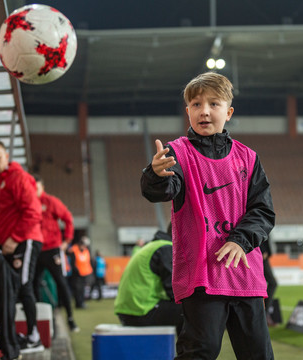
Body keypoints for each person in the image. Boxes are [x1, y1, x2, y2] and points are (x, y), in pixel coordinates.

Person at [141, 72, 275, 360]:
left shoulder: (248, 158)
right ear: (187, 111)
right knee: (201, 351)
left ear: (228, 112)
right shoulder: (176, 153)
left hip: (245, 275)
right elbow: (163, 190)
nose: (204, 111)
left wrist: (240, 241)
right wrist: (155, 176)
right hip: (201, 275)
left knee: (258, 355)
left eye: (214, 104)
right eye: (197, 104)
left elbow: (262, 210)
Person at [0, 140, 45, 353]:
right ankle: (11, 335)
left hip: (23, 240)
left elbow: (34, 211)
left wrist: (15, 238)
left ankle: (34, 336)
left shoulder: (17, 178)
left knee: (23, 286)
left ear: (6, 157)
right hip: (4, 244)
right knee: (9, 289)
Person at [32, 174, 79, 332]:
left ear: (42, 187)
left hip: (53, 249)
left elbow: (68, 218)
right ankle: (38, 320)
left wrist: (66, 241)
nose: (33, 190)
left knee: (61, 283)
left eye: (36, 188)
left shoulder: (51, 202)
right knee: (32, 284)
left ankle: (71, 320)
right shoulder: (28, 203)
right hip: (35, 250)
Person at [114, 227, 183, 333]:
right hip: (142, 310)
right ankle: (190, 349)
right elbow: (175, 291)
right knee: (191, 309)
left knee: (184, 308)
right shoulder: (166, 248)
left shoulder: (153, 246)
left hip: (128, 310)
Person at [68, 236, 93, 309]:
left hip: (84, 273)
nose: (84, 246)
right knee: (77, 289)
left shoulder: (86, 251)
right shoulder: (74, 250)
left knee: (82, 289)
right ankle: (78, 303)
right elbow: (73, 263)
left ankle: (82, 302)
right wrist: (77, 271)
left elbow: (87, 262)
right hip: (76, 274)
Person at [261, 239, 278, 327]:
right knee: (273, 283)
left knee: (272, 283)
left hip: (261, 255)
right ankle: (264, 315)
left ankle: (264, 315)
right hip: (259, 255)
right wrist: (263, 251)